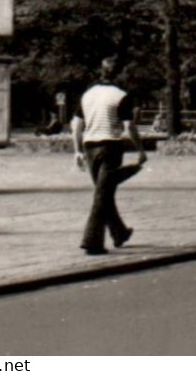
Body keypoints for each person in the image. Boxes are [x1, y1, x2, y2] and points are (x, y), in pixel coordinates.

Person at [71, 57, 146, 255]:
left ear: (101, 72)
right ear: (118, 74)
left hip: (89, 147)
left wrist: (77, 150)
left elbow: (77, 125)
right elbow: (129, 126)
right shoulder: (121, 96)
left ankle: (119, 232)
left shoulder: (87, 95)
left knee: (103, 192)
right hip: (111, 147)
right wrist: (140, 149)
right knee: (103, 194)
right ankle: (92, 241)